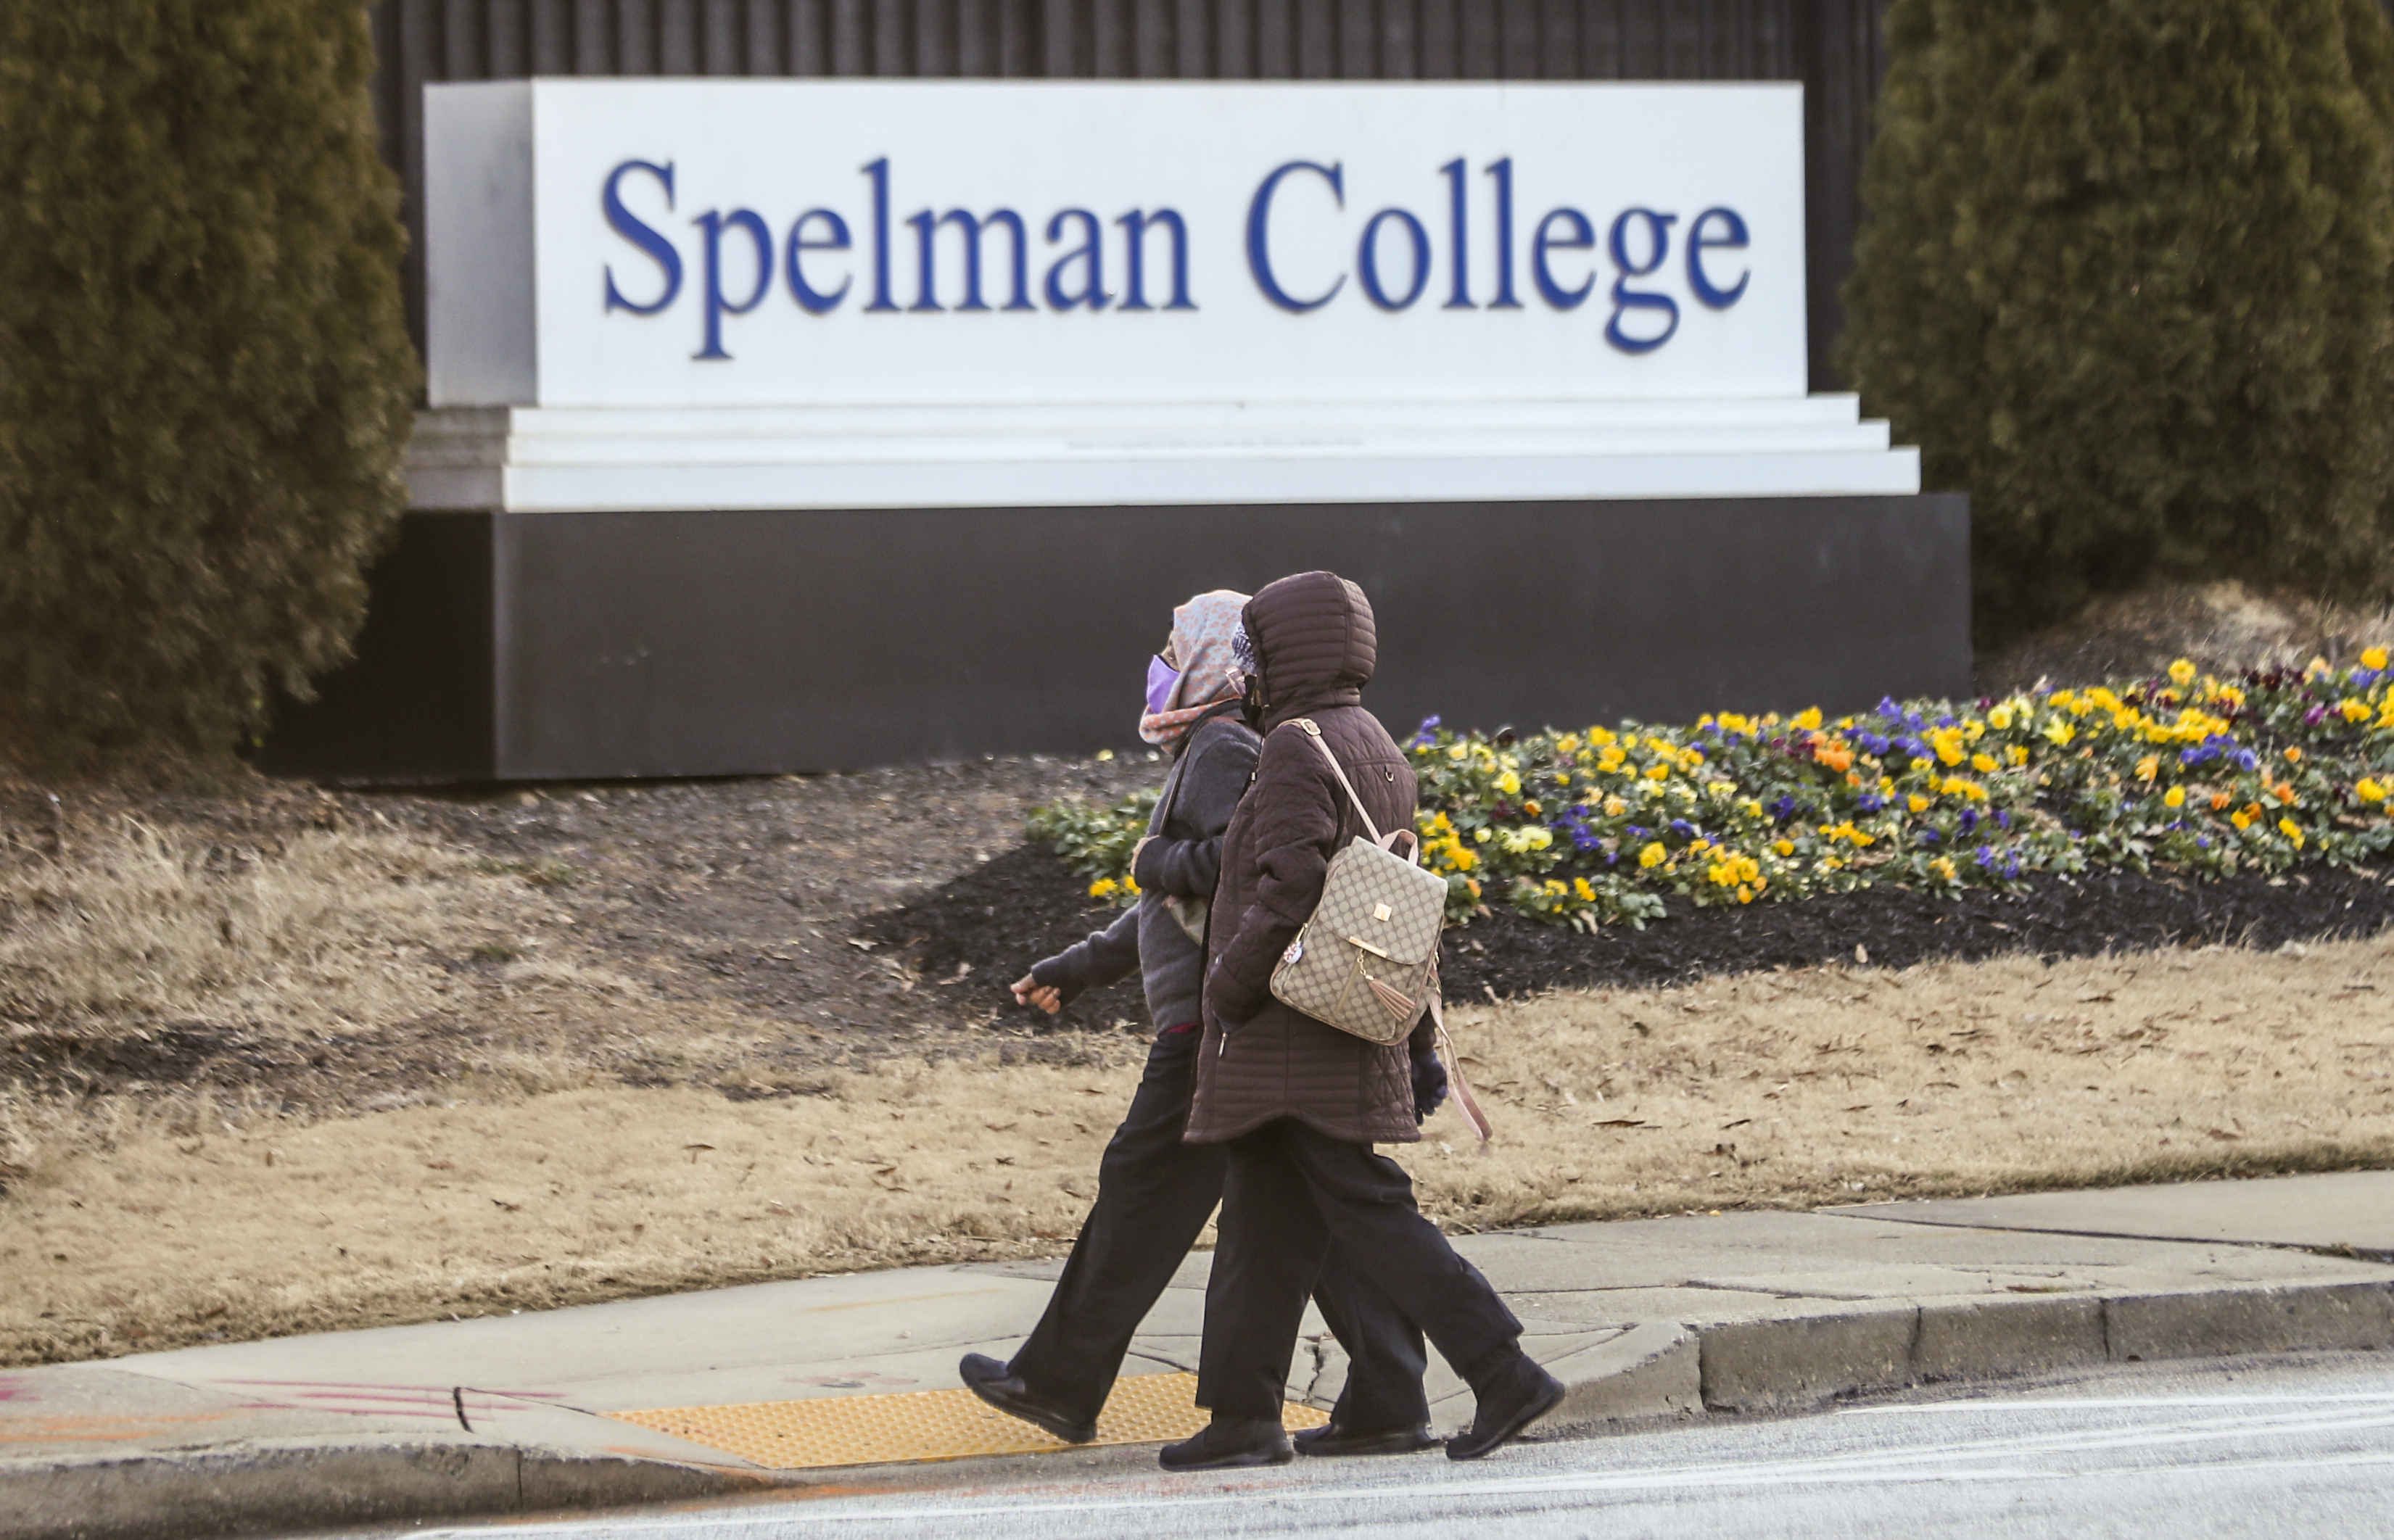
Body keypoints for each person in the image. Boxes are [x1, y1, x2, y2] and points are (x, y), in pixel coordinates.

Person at [960, 589, 1439, 1460]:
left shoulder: (1221, 746)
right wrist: (1078, 968)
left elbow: (1239, 869)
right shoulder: (1229, 743)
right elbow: (1177, 908)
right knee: (1308, 1212)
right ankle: (1388, 1396)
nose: (1160, 658)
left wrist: (1156, 857)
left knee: (1141, 1196)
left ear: (1214, 657)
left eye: (1174, 643)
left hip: (1212, 1027)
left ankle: (1059, 1384)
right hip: (1224, 1017)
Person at [1162, 571, 1564, 1473]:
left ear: (1285, 652)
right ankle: (1246, 1417)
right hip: (1340, 1021)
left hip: (1291, 1028)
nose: (1249, 665)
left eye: (1256, 647)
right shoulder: (1374, 740)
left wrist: (1228, 987)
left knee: (1374, 1214)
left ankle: (1504, 1371)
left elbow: (1291, 885)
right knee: (1264, 1225)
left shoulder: (1295, 747)